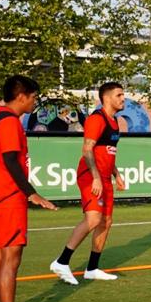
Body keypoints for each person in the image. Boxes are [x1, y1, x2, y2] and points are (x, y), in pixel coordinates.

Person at [0, 75, 58, 302]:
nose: (34, 102)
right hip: (8, 199)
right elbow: (11, 160)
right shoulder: (10, 121)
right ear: (22, 95)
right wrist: (31, 193)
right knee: (11, 260)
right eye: (34, 97)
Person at [50, 82, 128, 285]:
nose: (123, 98)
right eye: (119, 95)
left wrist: (116, 174)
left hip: (105, 177)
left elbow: (108, 152)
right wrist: (95, 177)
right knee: (93, 219)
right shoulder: (97, 119)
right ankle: (62, 261)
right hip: (90, 176)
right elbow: (87, 149)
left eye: (123, 95)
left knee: (106, 222)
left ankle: (92, 268)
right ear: (107, 98)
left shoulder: (114, 121)